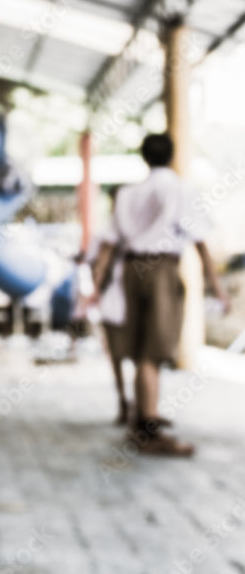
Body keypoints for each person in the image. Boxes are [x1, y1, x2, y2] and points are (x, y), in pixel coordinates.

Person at [93, 134, 229, 457]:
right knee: (153, 351)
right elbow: (200, 242)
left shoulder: (128, 193)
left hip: (130, 271)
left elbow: (109, 244)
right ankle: (148, 429)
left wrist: (97, 288)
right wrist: (217, 287)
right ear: (171, 155)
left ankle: (141, 419)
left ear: (144, 157)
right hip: (161, 270)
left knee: (140, 347)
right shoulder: (179, 189)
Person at [91, 189, 133, 426]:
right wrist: (96, 290)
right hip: (115, 299)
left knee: (140, 355)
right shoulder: (105, 234)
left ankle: (139, 404)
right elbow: (96, 263)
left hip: (134, 296)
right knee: (116, 354)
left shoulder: (140, 230)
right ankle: (123, 401)